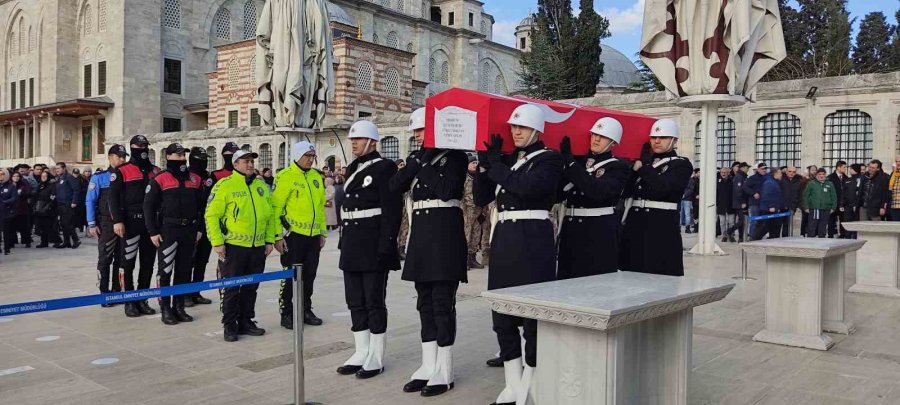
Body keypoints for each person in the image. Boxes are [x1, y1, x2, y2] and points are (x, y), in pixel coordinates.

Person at [473, 104, 563, 405]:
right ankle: (512, 383)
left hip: (532, 240)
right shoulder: (511, 162)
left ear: (537, 130)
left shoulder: (549, 160)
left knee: (532, 317)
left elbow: (526, 188)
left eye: (521, 127)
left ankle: (531, 382)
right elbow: (482, 198)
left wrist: (497, 165)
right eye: (513, 127)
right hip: (505, 239)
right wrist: (484, 167)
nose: (516, 132)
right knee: (503, 315)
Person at [389, 107, 467, 397]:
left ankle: (444, 370)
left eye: (421, 130)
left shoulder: (454, 156)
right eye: (415, 132)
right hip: (421, 236)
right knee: (424, 302)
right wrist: (413, 165)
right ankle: (428, 364)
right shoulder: (418, 158)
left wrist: (423, 166)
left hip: (444, 236)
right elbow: (393, 186)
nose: (417, 136)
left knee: (442, 303)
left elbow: (448, 190)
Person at [335, 120, 403, 379]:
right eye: (352, 139)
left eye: (358, 139)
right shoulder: (353, 167)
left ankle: (376, 355)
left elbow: (392, 207)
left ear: (372, 142)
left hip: (373, 243)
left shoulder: (385, 167)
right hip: (352, 242)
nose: (354, 143)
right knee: (355, 300)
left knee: (374, 300)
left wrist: (387, 243)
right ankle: (361, 351)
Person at [205, 149, 276, 342]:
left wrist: (269, 240)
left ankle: (246, 321)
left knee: (251, 287)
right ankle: (230, 324)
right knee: (231, 288)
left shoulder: (260, 185)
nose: (250, 164)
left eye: (252, 161)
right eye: (245, 161)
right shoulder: (225, 185)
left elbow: (269, 215)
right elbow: (211, 215)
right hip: (233, 247)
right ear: (235, 164)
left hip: (257, 246)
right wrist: (217, 242)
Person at [557, 117, 630, 278]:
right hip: (571, 229)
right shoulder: (578, 163)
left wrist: (570, 163)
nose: (596, 139)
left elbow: (597, 191)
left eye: (602, 136)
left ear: (613, 142)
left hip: (598, 231)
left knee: (596, 281)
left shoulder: (618, 166)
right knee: (567, 279)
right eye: (594, 134)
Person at [620, 118, 693, 276]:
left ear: (674, 140)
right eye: (653, 138)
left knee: (659, 273)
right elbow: (625, 192)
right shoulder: (645, 162)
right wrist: (634, 171)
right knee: (631, 274)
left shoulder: (681, 164)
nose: (657, 141)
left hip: (661, 226)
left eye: (663, 137)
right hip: (636, 225)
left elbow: (663, 188)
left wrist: (646, 167)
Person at [144, 143, 205, 325]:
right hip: (168, 231)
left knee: (184, 271)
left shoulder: (195, 179)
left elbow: (202, 207)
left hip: (190, 230)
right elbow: (148, 206)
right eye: (178, 156)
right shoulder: (160, 179)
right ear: (168, 157)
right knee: (165, 271)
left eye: (183, 155)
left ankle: (180, 307)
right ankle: (166, 309)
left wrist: (200, 229)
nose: (182, 159)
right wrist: (153, 232)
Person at [271, 141, 327, 330]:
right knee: (290, 276)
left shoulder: (315, 177)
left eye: (313, 157)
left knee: (309, 275)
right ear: (297, 156)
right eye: (307, 156)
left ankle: (305, 309)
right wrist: (278, 236)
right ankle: (286, 312)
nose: (311, 160)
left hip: (312, 236)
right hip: (293, 236)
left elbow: (320, 207)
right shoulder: (284, 176)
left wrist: (322, 231)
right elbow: (276, 208)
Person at [109, 135, 161, 317]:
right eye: (139, 146)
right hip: (130, 223)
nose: (143, 148)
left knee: (148, 264)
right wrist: (117, 220)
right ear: (132, 147)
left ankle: (142, 299)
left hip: (150, 226)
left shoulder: (156, 171)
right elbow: (113, 198)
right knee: (127, 263)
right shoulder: (122, 171)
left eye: (145, 145)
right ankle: (129, 301)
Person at [87, 145, 128, 301]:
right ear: (110, 157)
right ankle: (104, 293)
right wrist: (91, 224)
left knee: (122, 259)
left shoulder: (127, 176)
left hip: (125, 223)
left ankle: (118, 291)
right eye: (119, 156)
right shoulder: (100, 177)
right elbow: (90, 200)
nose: (123, 160)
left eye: (124, 157)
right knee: (105, 258)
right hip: (107, 224)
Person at [206, 142, 239, 307]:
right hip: (222, 230)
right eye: (229, 153)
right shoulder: (216, 176)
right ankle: (223, 298)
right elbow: (210, 205)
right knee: (224, 266)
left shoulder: (247, 177)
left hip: (241, 232)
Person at [185, 147, 214, 307]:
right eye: (200, 159)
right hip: (193, 223)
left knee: (202, 260)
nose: (203, 162)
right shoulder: (188, 176)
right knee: (188, 261)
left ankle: (196, 291)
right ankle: (186, 293)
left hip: (207, 222)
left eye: (205, 159)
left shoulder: (209, 177)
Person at [462, 155, 489, 269]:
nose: (475, 165)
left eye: (476, 162)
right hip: (468, 210)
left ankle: (472, 258)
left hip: (479, 210)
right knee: (466, 234)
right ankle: (464, 260)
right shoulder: (464, 177)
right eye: (472, 163)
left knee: (476, 234)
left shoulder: (478, 177)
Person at [803, 168, 837, 238]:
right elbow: (805, 196)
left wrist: (833, 207)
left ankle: (821, 244)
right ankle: (811, 243)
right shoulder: (811, 183)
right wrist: (806, 207)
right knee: (812, 228)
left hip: (826, 209)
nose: (821, 176)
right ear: (816, 175)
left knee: (823, 228)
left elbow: (834, 196)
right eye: (820, 174)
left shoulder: (830, 184)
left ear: (825, 175)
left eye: (823, 174)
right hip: (814, 209)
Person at [754, 169, 785, 240]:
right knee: (765, 227)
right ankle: (755, 239)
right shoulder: (769, 182)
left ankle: (772, 241)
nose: (781, 175)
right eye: (780, 173)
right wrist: (771, 206)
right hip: (769, 210)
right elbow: (766, 195)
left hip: (775, 209)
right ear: (775, 173)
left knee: (774, 228)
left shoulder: (775, 182)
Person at [33, 171, 59, 248]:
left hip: (48, 209)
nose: (43, 177)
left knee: (49, 226)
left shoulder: (52, 185)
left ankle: (56, 241)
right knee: (41, 226)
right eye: (42, 176)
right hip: (39, 208)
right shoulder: (40, 185)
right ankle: (44, 242)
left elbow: (53, 197)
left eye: (45, 176)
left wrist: (50, 205)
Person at [742, 162, 767, 239]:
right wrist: (753, 193)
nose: (764, 170)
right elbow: (745, 187)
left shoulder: (767, 177)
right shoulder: (752, 178)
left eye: (765, 169)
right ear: (758, 169)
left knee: (763, 222)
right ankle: (752, 237)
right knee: (754, 221)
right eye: (762, 169)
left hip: (764, 203)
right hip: (755, 203)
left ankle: (759, 236)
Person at [726, 162, 748, 242]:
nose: (747, 169)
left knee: (742, 221)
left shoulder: (743, 176)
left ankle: (741, 237)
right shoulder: (739, 177)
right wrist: (742, 202)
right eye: (746, 167)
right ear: (742, 168)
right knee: (742, 220)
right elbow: (738, 191)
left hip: (742, 202)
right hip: (739, 203)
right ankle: (730, 230)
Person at [843, 163, 863, 238]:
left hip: (857, 206)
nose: (849, 170)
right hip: (848, 206)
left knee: (856, 223)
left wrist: (856, 204)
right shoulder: (848, 180)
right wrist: (842, 204)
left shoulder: (861, 179)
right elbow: (843, 193)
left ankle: (855, 237)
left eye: (851, 169)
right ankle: (847, 237)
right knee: (847, 223)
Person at [781, 166, 803, 237]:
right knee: (777, 225)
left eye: (793, 172)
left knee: (787, 226)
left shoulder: (798, 182)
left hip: (791, 207)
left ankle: (785, 240)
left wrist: (798, 206)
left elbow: (800, 195)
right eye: (790, 171)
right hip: (781, 207)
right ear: (786, 172)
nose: (791, 173)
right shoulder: (781, 180)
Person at [827, 161, 847, 237]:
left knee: (843, 220)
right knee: (831, 220)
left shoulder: (846, 177)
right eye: (844, 167)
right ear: (838, 167)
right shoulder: (830, 177)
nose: (845, 169)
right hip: (833, 203)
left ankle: (842, 235)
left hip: (842, 204)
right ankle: (830, 235)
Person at [1, 170, 18, 255]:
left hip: (6, 211)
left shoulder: (11, 186)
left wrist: (5, 202)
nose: (1, 176)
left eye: (2, 174)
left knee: (6, 231)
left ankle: (7, 247)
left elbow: (14, 197)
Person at [716, 166, 734, 242]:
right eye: (722, 172)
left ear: (728, 173)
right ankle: (724, 235)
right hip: (721, 205)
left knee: (731, 222)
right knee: (722, 222)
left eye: (725, 172)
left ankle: (731, 235)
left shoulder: (732, 181)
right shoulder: (717, 181)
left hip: (730, 205)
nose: (723, 174)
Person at [888, 156, 900, 221]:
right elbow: (889, 190)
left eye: (899, 161)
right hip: (894, 206)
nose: (898, 163)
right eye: (896, 162)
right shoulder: (893, 174)